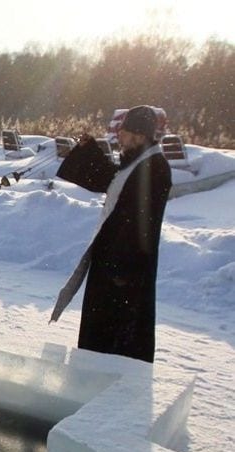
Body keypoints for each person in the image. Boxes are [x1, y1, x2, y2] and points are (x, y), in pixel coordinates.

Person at [51, 105, 172, 363]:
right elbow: (112, 181)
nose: (120, 137)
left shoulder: (155, 167)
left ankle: (112, 390)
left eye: (124, 132)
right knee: (101, 332)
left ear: (139, 135)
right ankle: (92, 375)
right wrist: (88, 151)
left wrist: (121, 268)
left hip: (126, 270)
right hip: (111, 262)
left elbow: (141, 223)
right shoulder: (137, 160)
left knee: (118, 338)